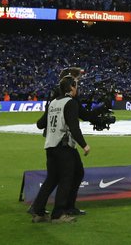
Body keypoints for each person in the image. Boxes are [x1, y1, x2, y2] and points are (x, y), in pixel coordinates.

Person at [30, 76, 90, 224]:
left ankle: (38, 212)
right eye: (75, 85)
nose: (77, 88)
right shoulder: (70, 103)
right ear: (71, 87)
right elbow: (74, 127)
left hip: (50, 146)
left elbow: (40, 124)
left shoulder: (53, 103)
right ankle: (58, 214)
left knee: (51, 179)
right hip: (63, 147)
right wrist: (84, 145)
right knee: (66, 179)